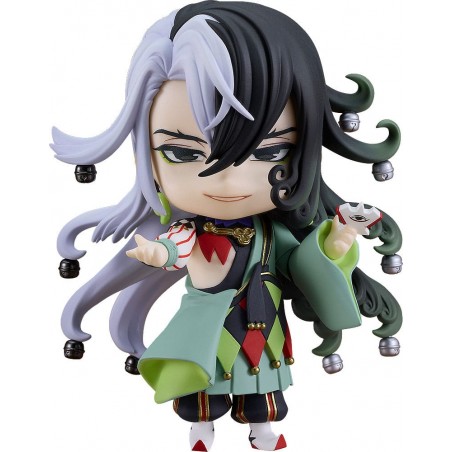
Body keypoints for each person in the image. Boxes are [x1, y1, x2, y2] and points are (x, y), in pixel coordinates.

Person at [52, 2, 402, 450]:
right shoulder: (192, 232)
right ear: (146, 156)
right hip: (209, 329)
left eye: (270, 152)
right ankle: (201, 430)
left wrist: (338, 238)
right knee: (205, 385)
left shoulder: (272, 234)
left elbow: (304, 264)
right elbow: (174, 249)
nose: (229, 181)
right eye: (182, 153)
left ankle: (263, 430)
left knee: (263, 386)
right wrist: (157, 253)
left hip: (265, 328)